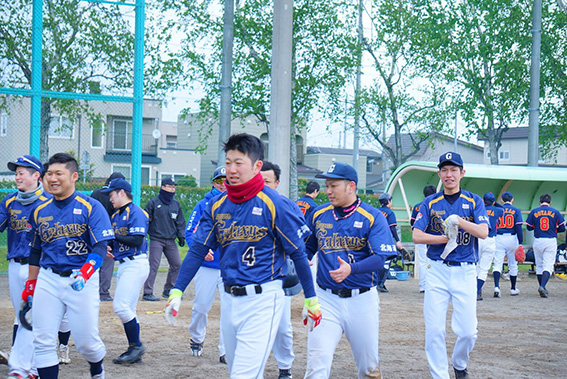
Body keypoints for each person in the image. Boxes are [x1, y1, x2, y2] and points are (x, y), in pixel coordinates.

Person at [164, 133, 321, 378]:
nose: (232, 169)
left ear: (257, 166)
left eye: (239, 163)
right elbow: (197, 250)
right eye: (228, 162)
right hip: (229, 300)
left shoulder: (274, 203)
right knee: (239, 372)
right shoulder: (217, 205)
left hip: (263, 299)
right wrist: (177, 290)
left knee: (243, 375)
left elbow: (298, 253)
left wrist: (311, 298)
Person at [24, 153, 115, 379]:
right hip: (48, 277)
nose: (52, 178)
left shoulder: (91, 207)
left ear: (74, 176)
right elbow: (35, 251)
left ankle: (97, 368)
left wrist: (86, 272)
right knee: (43, 340)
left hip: (81, 277)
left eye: (58, 173)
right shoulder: (39, 211)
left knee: (87, 344)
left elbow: (100, 247)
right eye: (49, 174)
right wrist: (31, 283)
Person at [302, 162, 395, 378]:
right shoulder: (318, 214)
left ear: (351, 186)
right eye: (326, 185)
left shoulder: (372, 216)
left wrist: (351, 269)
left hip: (362, 300)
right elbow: (307, 248)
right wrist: (301, 261)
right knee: (316, 365)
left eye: (333, 185)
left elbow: (380, 259)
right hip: (325, 299)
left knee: (369, 368)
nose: (328, 190)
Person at [412, 152, 488, 379]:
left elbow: (483, 232)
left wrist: (459, 222)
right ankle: (440, 376)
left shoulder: (474, 201)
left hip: (465, 270)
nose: (449, 174)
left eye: (453, 170)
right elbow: (417, 235)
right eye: (444, 170)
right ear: (439, 174)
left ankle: (459, 362)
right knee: (434, 330)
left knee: (468, 332)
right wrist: (443, 239)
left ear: (462, 173)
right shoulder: (430, 202)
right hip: (437, 269)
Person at [0, 154, 50, 379]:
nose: (17, 176)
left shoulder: (49, 201)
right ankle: (22, 366)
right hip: (14, 265)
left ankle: (35, 368)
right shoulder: (10, 201)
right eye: (16, 172)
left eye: (21, 172)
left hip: (38, 267)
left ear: (36, 175)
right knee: (21, 315)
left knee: (35, 315)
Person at [260, 161, 303, 379]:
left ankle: (284, 367)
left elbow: (301, 240)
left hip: (279, 276)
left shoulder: (287, 206)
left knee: (283, 326)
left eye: (266, 181)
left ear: (277, 183)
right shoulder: (241, 203)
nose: (262, 184)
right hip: (250, 278)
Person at [101, 178, 150, 364]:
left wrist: (114, 236)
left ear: (122, 192)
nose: (110, 199)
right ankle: (133, 350)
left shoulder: (136, 212)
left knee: (120, 306)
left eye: (111, 194)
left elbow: (137, 240)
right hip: (124, 264)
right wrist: (108, 246)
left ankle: (136, 345)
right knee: (128, 309)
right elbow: (117, 241)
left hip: (136, 263)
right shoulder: (115, 216)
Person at [184, 166, 227, 363]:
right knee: (201, 306)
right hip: (207, 265)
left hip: (229, 267)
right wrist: (201, 250)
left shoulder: (239, 203)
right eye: (219, 181)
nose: (224, 184)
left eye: (227, 180)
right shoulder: (204, 204)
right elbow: (190, 232)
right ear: (213, 183)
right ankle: (197, 337)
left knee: (230, 309)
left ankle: (226, 349)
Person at [143, 177, 186, 301]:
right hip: (157, 238)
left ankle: (168, 290)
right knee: (153, 265)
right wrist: (144, 235)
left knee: (177, 264)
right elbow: (146, 219)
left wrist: (181, 236)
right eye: (170, 186)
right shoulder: (154, 202)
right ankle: (147, 292)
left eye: (174, 187)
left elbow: (180, 222)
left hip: (171, 240)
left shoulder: (175, 204)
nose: (173, 189)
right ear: (163, 187)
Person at [91, 172, 126, 302]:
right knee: (108, 261)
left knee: (94, 258)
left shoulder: (96, 192)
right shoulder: (114, 195)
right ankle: (103, 292)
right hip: (109, 230)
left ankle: (92, 289)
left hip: (93, 229)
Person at [525, 193, 566, 298]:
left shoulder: (534, 211)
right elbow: (562, 228)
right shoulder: (555, 212)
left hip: (538, 240)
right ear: (550, 202)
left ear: (539, 202)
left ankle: (541, 286)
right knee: (548, 265)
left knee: (539, 265)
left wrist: (537, 227)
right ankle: (543, 286)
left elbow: (529, 227)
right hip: (550, 240)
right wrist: (554, 229)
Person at [493, 191, 523, 297]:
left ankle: (496, 287)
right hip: (512, 238)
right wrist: (521, 242)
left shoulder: (498, 209)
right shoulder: (516, 210)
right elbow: (518, 227)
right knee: (513, 264)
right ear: (512, 200)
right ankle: (513, 288)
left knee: (497, 263)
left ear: (502, 200)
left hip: (499, 237)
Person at [476, 193, 503, 301]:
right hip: (490, 240)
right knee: (484, 268)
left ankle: (475, 290)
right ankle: (477, 291)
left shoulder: (479, 209)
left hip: (478, 238)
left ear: (483, 200)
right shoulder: (497, 210)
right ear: (493, 202)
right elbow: (502, 208)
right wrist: (494, 203)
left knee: (475, 265)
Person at [411, 184, 438, 293]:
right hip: (434, 237)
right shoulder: (438, 205)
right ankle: (433, 285)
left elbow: (413, 222)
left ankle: (423, 286)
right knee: (434, 261)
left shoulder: (418, 206)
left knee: (422, 262)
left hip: (421, 236)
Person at [376, 192, 403, 293]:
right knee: (386, 262)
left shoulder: (376, 211)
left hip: (375, 240)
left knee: (377, 261)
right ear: (388, 201)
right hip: (386, 241)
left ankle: (376, 283)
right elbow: (392, 228)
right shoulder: (390, 213)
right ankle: (380, 284)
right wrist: (398, 241)